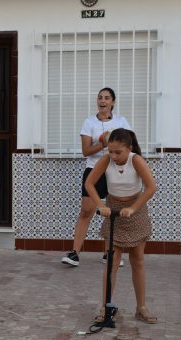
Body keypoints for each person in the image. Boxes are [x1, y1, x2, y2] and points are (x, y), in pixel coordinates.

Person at [85, 128, 157, 324]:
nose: (114, 155)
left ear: (129, 148)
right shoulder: (106, 161)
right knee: (112, 262)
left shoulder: (136, 161)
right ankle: (105, 306)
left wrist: (133, 208)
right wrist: (100, 205)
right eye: (110, 151)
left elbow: (151, 187)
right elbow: (89, 184)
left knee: (137, 260)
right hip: (114, 210)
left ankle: (141, 307)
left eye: (118, 152)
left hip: (136, 211)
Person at [61, 87, 131, 267]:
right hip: (93, 171)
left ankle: (109, 253)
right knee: (86, 212)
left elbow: (128, 146)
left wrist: (113, 145)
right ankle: (74, 253)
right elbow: (86, 151)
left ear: (113, 102)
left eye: (107, 98)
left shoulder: (121, 121)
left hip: (115, 171)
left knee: (112, 213)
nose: (103, 101)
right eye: (100, 98)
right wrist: (102, 143)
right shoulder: (89, 122)